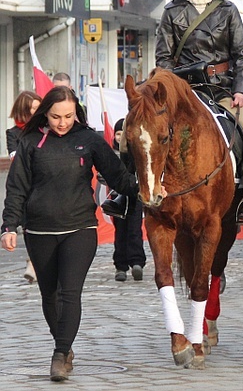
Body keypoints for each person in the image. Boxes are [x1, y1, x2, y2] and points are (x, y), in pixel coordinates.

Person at [1, 86, 139, 382]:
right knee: (49, 295)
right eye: (55, 117)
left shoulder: (88, 140)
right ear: (45, 114)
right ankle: (64, 343)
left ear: (76, 113)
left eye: (68, 116)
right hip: (39, 230)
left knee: (69, 292)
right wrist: (9, 226)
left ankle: (61, 354)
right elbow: (16, 188)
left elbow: (119, 177)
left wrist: (148, 191)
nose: (62, 122)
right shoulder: (30, 142)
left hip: (80, 228)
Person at [154, 0, 243, 224]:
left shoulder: (228, 11)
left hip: (223, 89)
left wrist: (240, 90)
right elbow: (163, 58)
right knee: (145, 129)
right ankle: (130, 193)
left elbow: (241, 55)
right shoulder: (171, 12)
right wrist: (172, 89)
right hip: (185, 91)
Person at [6, 90, 42, 283]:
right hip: (25, 186)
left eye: (39, 108)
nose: (37, 113)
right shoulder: (13, 133)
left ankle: (36, 262)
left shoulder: (45, 131)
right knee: (28, 225)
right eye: (33, 109)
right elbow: (14, 157)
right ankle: (33, 260)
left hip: (45, 184)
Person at [109, 118, 146, 282]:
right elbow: (103, 174)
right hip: (117, 196)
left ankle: (137, 262)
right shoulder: (110, 154)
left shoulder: (138, 154)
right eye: (118, 134)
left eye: (123, 133)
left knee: (134, 229)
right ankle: (120, 266)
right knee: (120, 231)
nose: (120, 137)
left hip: (135, 196)